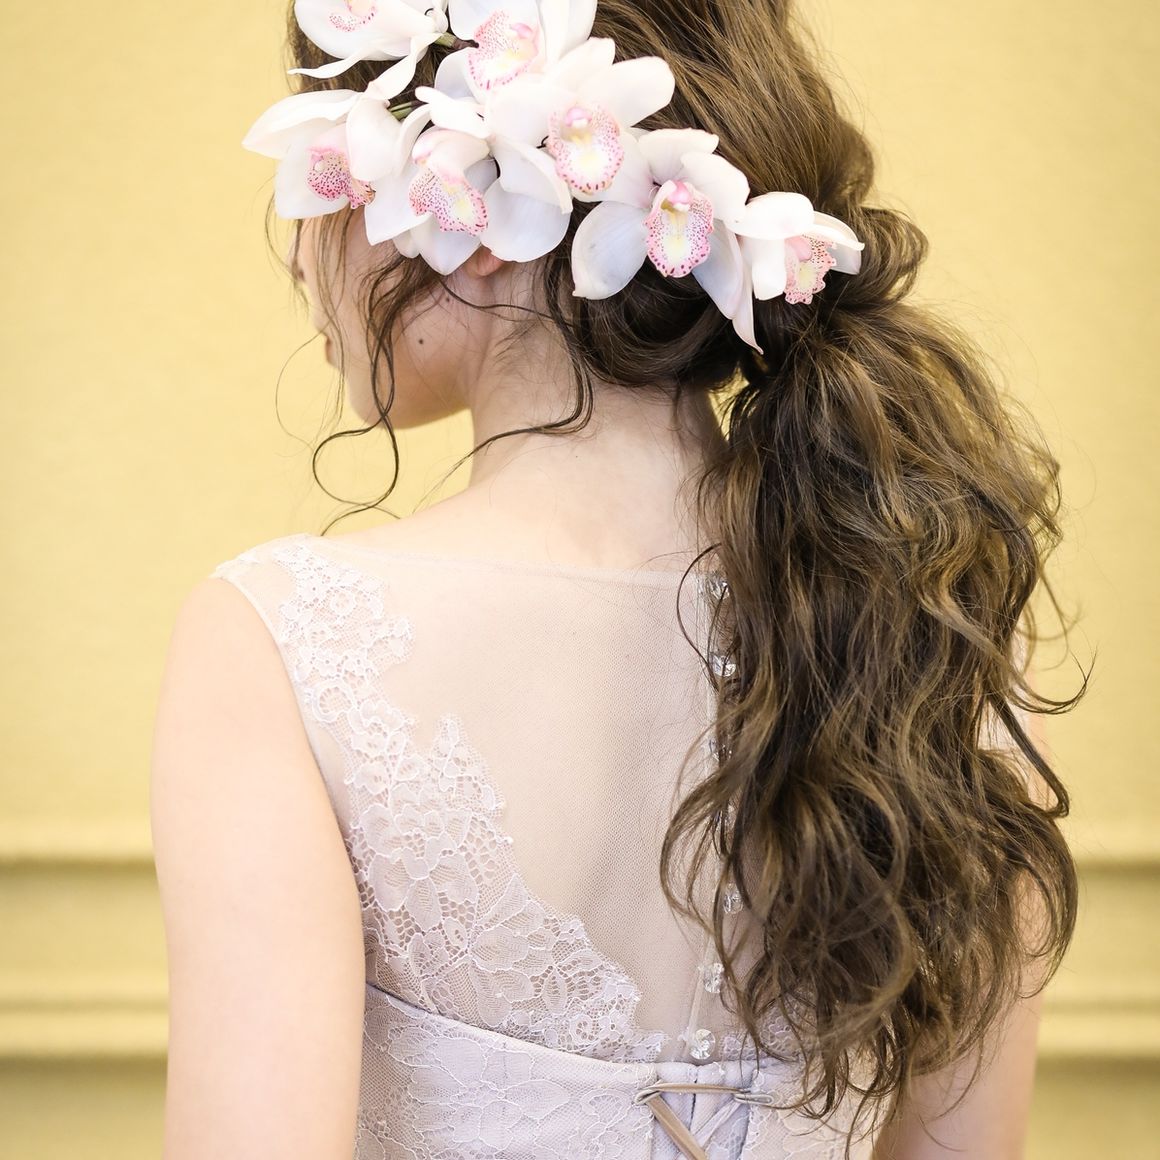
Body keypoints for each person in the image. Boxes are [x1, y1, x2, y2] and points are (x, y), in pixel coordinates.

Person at [150, 1, 1082, 1157]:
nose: (301, 247)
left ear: (478, 208)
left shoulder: (279, 643)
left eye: (326, 171)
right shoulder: (944, 625)